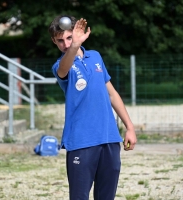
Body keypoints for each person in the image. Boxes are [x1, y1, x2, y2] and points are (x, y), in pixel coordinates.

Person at [48, 15, 137, 200]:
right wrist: (73, 47)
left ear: (76, 34)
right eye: (60, 41)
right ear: (54, 42)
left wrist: (129, 127)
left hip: (109, 139)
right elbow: (63, 70)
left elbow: (112, 94)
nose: (65, 44)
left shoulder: (95, 56)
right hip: (81, 142)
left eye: (69, 38)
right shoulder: (60, 65)